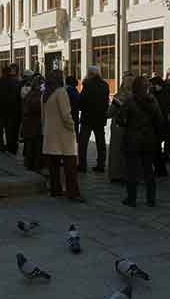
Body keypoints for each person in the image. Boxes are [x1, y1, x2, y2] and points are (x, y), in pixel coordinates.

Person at [118, 76, 163, 208]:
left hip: (132, 138)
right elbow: (159, 120)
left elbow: (121, 120)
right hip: (148, 138)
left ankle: (131, 198)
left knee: (132, 170)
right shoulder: (153, 100)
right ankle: (151, 199)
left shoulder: (130, 101)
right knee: (148, 169)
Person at [41, 70, 84, 202]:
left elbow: (43, 117)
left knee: (53, 167)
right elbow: (66, 115)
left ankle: (56, 190)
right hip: (64, 135)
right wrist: (72, 127)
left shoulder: (45, 93)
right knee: (70, 167)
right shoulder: (60, 92)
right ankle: (73, 193)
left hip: (50, 134)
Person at [78, 66, 110, 172]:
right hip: (100, 118)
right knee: (101, 142)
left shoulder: (87, 84)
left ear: (90, 74)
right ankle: (101, 165)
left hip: (87, 117)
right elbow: (106, 102)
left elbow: (81, 100)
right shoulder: (105, 85)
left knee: (83, 143)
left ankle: (82, 165)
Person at [107, 71, 134, 183]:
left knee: (117, 151)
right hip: (133, 127)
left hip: (119, 126)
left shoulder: (121, 95)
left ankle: (117, 174)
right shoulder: (138, 94)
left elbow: (111, 112)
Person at [0, 64, 22, 154]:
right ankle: (10, 147)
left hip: (0, 110)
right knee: (10, 130)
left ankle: (0, 146)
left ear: (2, 73)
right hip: (11, 111)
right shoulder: (15, 83)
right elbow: (17, 97)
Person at [149, 75, 170, 178]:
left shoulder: (162, 94)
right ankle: (160, 170)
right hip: (158, 125)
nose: (153, 87)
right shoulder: (159, 93)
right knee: (156, 149)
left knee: (156, 149)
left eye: (154, 85)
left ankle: (160, 170)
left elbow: (161, 110)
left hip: (159, 125)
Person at [22, 75, 43, 171]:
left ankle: (30, 164)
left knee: (31, 145)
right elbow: (36, 107)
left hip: (30, 124)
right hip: (34, 124)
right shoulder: (36, 95)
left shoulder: (30, 93)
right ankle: (34, 165)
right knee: (35, 146)